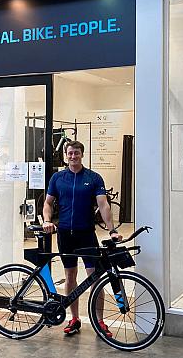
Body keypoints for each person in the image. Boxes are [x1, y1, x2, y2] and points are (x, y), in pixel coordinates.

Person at [42, 140, 122, 337]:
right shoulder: (58, 178)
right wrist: (47, 220)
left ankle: (99, 321)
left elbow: (103, 205)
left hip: (86, 234)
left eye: (76, 153)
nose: (73, 156)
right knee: (70, 276)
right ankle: (74, 318)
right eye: (70, 153)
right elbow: (48, 203)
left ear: (82, 154)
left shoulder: (93, 178)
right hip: (65, 234)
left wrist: (112, 230)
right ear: (65, 155)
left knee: (95, 278)